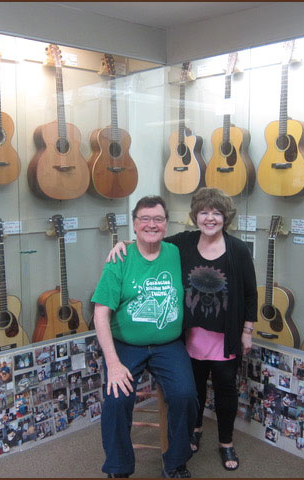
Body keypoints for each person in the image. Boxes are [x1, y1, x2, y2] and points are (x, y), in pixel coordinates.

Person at [108, 188, 256, 471]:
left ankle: (226, 443)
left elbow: (250, 292)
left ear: (226, 218)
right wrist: (122, 243)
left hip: (225, 336)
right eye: (203, 212)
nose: (209, 218)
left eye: (216, 213)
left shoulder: (238, 249)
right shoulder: (184, 243)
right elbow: (150, 238)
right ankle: (195, 431)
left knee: (225, 390)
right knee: (193, 390)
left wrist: (247, 331)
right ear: (195, 216)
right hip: (191, 335)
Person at [92, 195, 198, 478]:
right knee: (116, 401)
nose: (152, 224)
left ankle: (175, 463)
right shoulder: (120, 259)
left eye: (159, 219)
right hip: (126, 346)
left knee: (186, 395)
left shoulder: (177, 252)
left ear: (166, 224)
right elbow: (100, 314)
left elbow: (211, 233)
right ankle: (119, 468)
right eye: (145, 219)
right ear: (135, 224)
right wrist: (112, 363)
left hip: (168, 345)